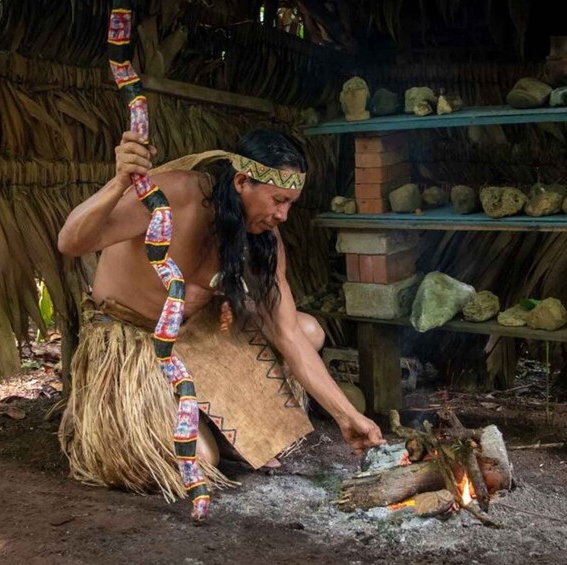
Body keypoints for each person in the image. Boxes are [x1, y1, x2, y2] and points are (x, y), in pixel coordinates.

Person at [57, 128, 384, 499]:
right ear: (243, 181)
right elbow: (71, 242)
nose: (284, 215)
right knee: (198, 462)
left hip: (196, 335)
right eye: (278, 200)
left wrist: (347, 416)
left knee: (308, 331)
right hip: (136, 345)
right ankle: (163, 428)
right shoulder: (173, 196)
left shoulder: (262, 238)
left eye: (290, 203)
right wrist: (119, 182)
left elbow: (288, 334)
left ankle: (219, 426)